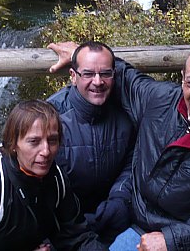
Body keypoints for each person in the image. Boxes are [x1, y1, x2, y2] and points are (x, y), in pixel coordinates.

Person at [49, 42, 190, 251]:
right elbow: (123, 76)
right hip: (140, 227)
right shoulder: (159, 99)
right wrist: (79, 53)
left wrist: (172, 240)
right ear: (182, 79)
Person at [0, 99, 107, 251]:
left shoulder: (56, 180)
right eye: (34, 142)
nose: (46, 151)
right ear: (13, 144)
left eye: (52, 140)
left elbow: (77, 237)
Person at [47, 41, 135, 242]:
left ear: (114, 75)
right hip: (63, 226)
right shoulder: (51, 117)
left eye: (105, 73)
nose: (98, 81)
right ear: (73, 76)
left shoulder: (126, 113)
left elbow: (132, 163)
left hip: (114, 219)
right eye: (88, 74)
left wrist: (120, 198)